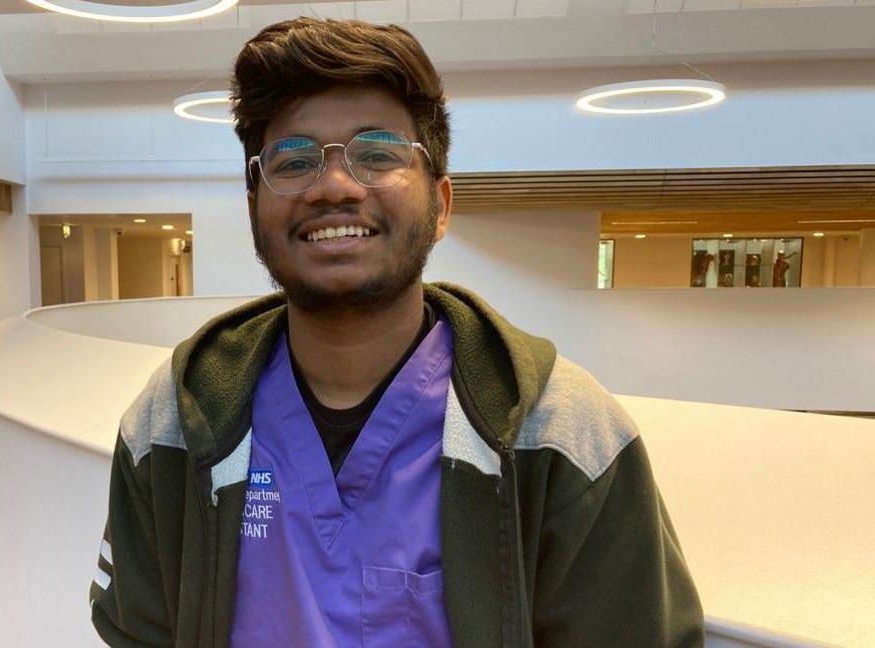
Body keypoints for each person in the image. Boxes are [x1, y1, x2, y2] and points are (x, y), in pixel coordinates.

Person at [90, 17, 703, 648]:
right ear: (253, 207)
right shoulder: (173, 420)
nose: (333, 186)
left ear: (440, 206)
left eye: (377, 154)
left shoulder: (562, 433)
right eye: (293, 160)